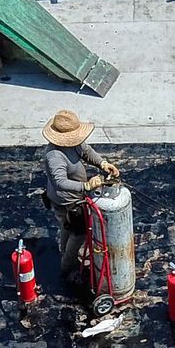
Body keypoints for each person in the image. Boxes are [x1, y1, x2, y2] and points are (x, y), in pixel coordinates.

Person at [41, 110, 119, 281]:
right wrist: (86, 186)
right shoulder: (54, 156)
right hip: (66, 202)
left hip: (76, 197)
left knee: (67, 228)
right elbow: (60, 182)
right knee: (78, 233)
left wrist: (102, 163)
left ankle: (64, 250)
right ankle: (68, 266)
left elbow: (86, 151)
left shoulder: (74, 143)